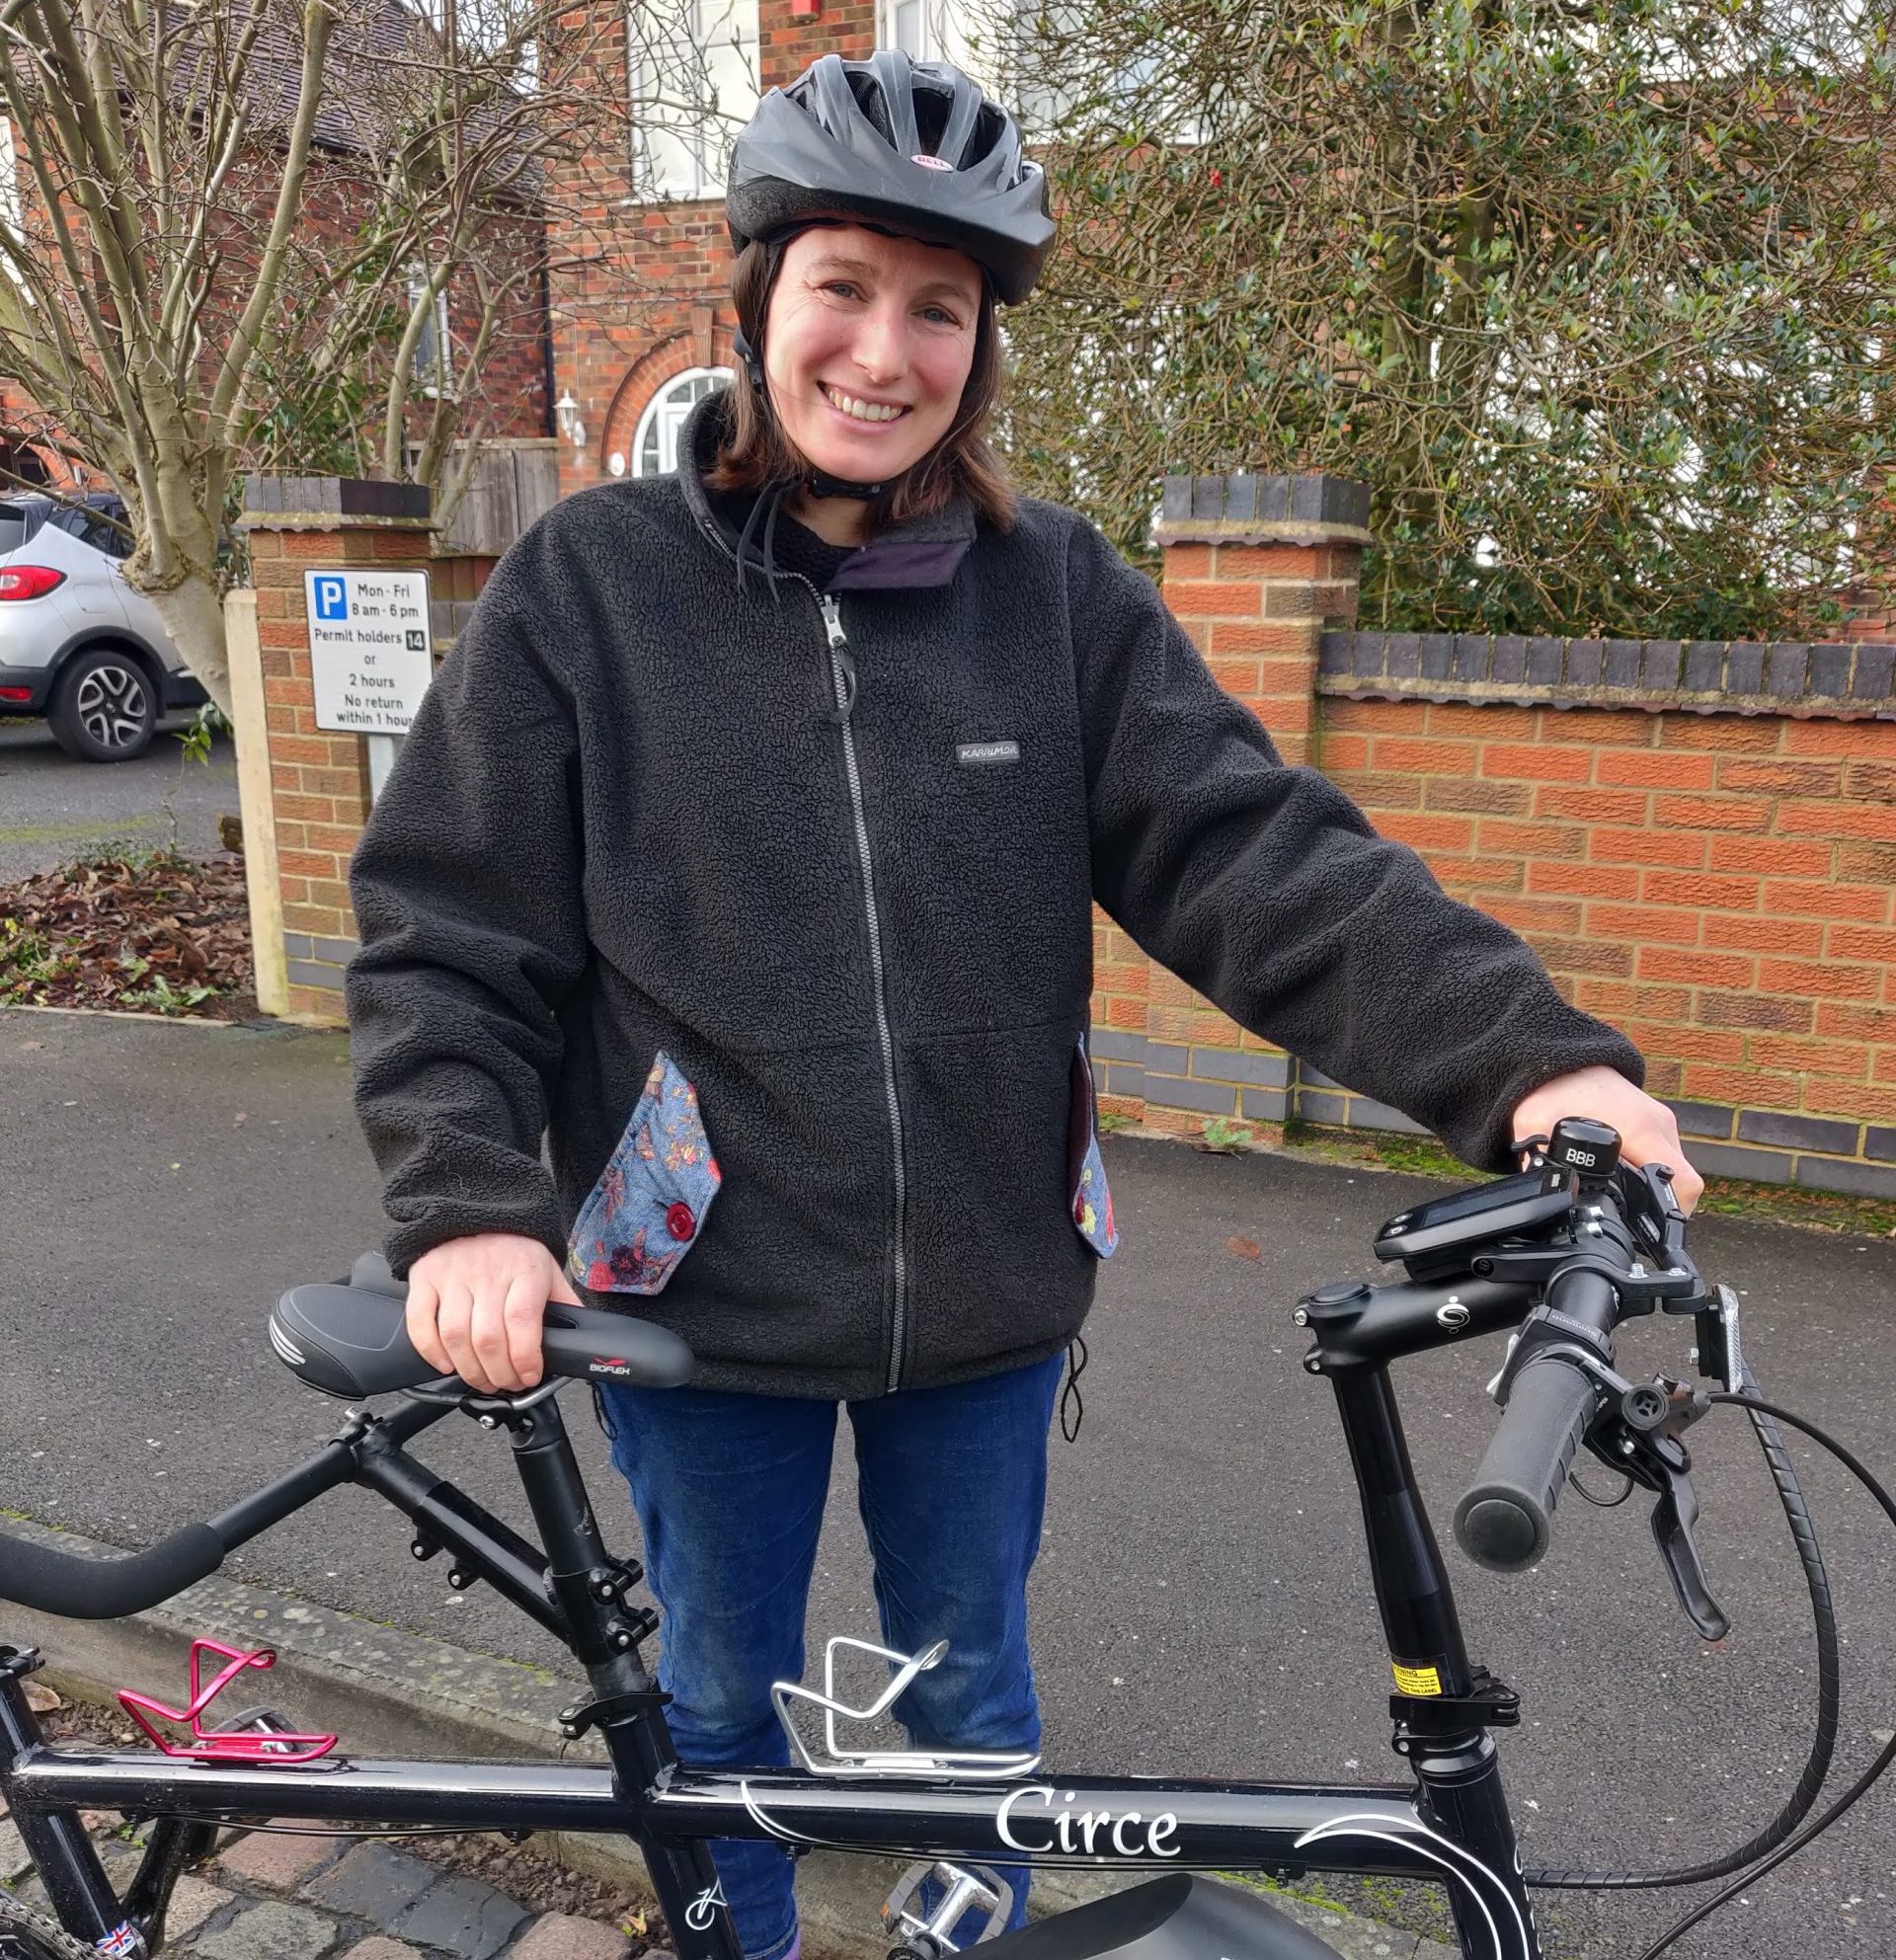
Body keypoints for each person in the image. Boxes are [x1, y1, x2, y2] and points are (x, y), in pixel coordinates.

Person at [345, 48, 1700, 1960]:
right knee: (717, 1698)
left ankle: (965, 1927)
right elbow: (446, 928)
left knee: (967, 1688)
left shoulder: (1047, 590)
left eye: (940, 308)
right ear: (761, 297)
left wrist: (1533, 1064)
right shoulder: (593, 588)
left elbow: (1254, 854)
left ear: (982, 348)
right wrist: (469, 1203)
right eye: (844, 288)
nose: (884, 351)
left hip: (985, 1284)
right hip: (687, 1302)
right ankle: (742, 1938)